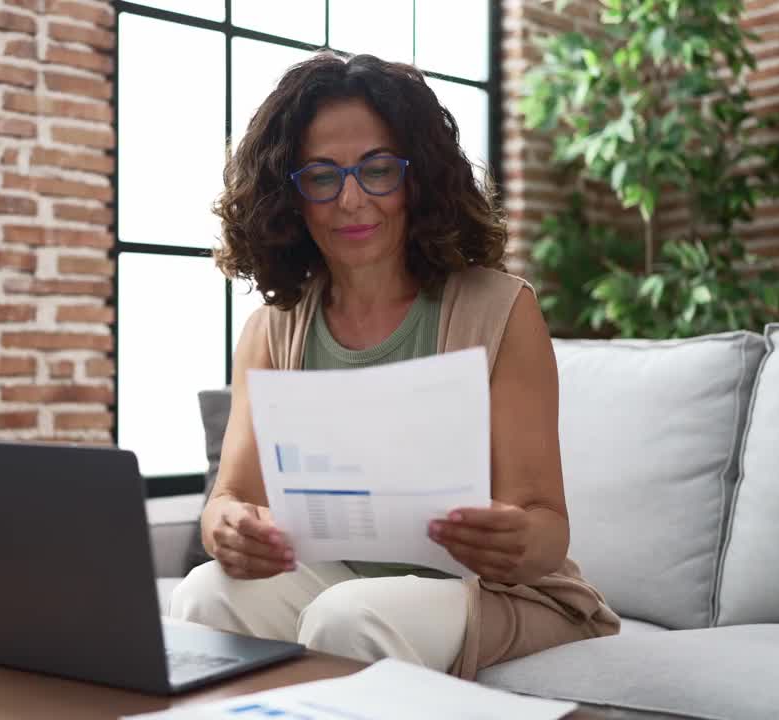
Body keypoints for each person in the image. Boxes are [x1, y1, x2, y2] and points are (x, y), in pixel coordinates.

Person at [169, 52, 620, 679]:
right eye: (321, 176)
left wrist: (512, 536)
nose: (351, 199)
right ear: (289, 195)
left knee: (349, 616)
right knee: (201, 591)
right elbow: (232, 498)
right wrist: (230, 530)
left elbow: (548, 526)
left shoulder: (500, 309)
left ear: (417, 179)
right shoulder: (272, 330)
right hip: (339, 578)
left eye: (377, 169)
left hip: (484, 592)